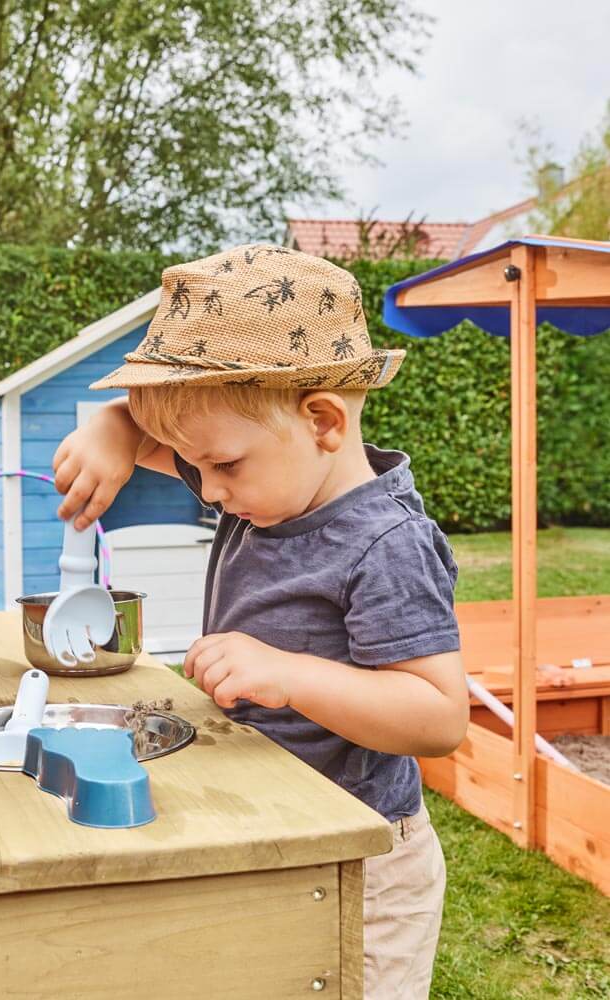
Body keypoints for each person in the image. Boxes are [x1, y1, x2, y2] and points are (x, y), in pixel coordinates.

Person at [51, 243, 469, 999]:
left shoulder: (386, 543)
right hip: (275, 825)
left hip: (363, 863)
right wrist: (114, 429)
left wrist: (291, 674)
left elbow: (439, 717)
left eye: (221, 466)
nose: (205, 489)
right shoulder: (266, 474)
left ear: (323, 422)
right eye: (192, 464)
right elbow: (155, 438)